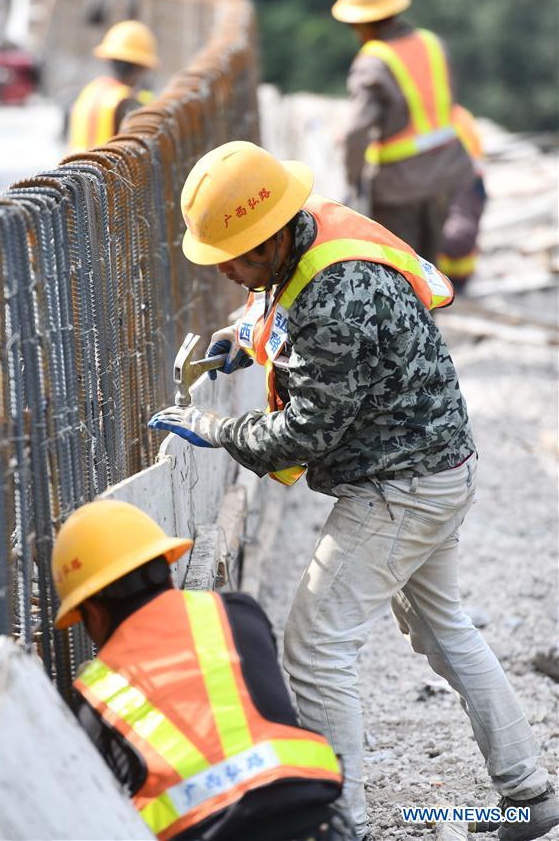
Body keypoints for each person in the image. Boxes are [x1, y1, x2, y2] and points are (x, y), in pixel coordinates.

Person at [149, 141, 559, 841]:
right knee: (442, 629)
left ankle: (343, 822)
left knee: (314, 644)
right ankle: (528, 793)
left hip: (402, 485)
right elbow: (282, 305)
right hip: (435, 464)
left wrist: (214, 428)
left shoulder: (335, 297)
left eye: (236, 258)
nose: (224, 270)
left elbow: (303, 433)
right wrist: (244, 337)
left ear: (272, 233)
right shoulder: (308, 232)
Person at [51, 498, 347, 841]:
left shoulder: (95, 698)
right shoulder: (238, 614)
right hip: (309, 817)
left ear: (94, 614)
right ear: (166, 565)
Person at [332, 0, 474, 265]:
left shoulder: (372, 63)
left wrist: (352, 183)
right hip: (447, 173)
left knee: (402, 273)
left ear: (360, 23)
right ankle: (430, 313)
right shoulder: (433, 43)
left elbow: (356, 133)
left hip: (399, 188)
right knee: (430, 269)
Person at [68, 20, 158, 151]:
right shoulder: (128, 103)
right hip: (110, 170)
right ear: (140, 68)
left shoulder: (89, 91)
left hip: (76, 168)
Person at [438, 105, 488, 292]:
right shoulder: (462, 116)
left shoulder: (445, 118)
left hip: (460, 180)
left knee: (457, 232)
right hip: (471, 180)